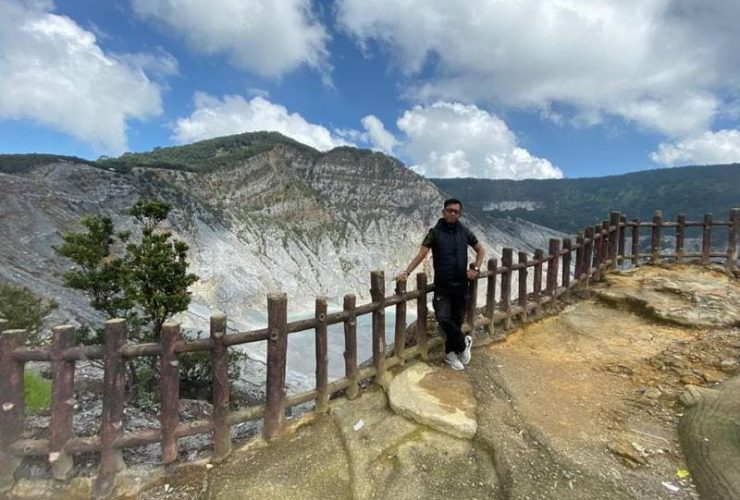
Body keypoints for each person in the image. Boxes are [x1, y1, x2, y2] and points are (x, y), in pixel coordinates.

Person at [395, 198, 485, 370]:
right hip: (442, 287)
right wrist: (407, 272)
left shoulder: (465, 232)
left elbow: (481, 250)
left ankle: (450, 355)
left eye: (456, 211)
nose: (452, 213)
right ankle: (463, 343)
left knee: (457, 321)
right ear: (443, 212)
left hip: (461, 285)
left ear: (460, 214)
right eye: (449, 210)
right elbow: (422, 254)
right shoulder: (434, 232)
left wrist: (477, 269)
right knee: (443, 317)